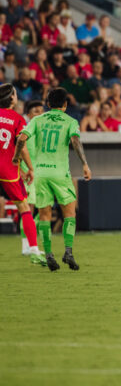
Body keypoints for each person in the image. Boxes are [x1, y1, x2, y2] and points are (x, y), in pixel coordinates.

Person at [14, 88, 92, 271]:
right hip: (60, 174)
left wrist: (16, 158)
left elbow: (21, 139)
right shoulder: (71, 121)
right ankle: (68, 252)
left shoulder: (37, 120)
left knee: (44, 216)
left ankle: (48, 254)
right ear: (65, 105)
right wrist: (85, 165)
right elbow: (75, 141)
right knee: (69, 214)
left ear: (48, 104)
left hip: (40, 174)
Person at [0, 85, 45, 265]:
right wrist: (30, 168)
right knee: (24, 208)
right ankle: (33, 248)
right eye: (16, 94)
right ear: (12, 98)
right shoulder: (17, 119)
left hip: (9, 166)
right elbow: (21, 146)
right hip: (7, 169)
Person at [19, 100, 44, 256]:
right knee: (28, 209)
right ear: (28, 114)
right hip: (28, 175)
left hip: (40, 175)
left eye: (41, 111)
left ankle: (30, 243)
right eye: (36, 111)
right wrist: (21, 172)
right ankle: (26, 245)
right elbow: (18, 152)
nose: (40, 114)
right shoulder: (24, 130)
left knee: (39, 210)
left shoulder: (42, 131)